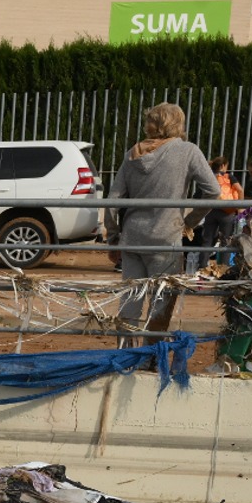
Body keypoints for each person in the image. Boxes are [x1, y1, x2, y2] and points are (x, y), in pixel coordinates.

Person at [104, 102, 219, 340]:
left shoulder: (133, 153)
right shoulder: (188, 151)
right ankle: (151, 358)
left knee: (130, 300)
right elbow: (213, 191)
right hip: (166, 237)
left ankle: (125, 356)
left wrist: (114, 237)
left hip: (133, 238)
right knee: (161, 301)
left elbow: (113, 199)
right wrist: (189, 221)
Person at [187, 156, 245, 271]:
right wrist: (240, 207)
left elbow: (198, 195)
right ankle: (223, 267)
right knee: (226, 241)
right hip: (227, 213)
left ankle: (202, 266)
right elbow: (240, 190)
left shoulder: (209, 178)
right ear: (223, 166)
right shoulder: (229, 177)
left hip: (211, 211)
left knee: (207, 239)